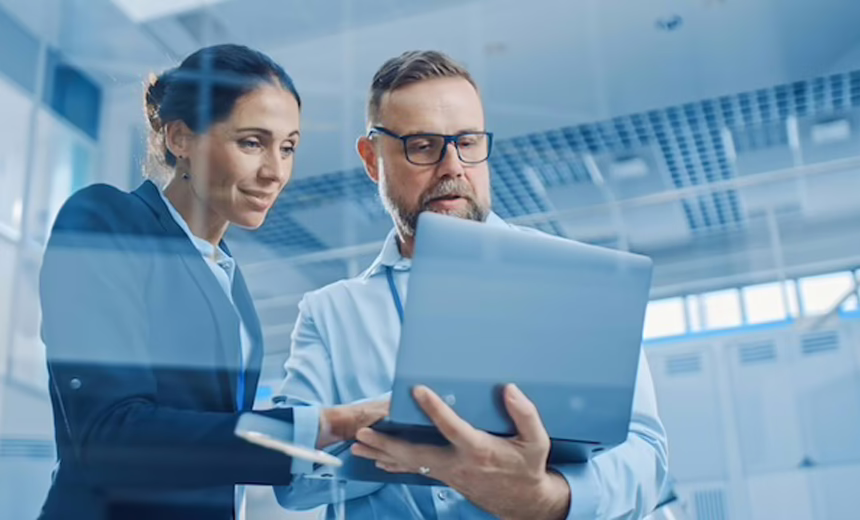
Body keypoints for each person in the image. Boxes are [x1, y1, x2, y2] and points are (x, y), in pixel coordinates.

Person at [275, 50, 669, 519]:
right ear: (372, 159)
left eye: (467, 142)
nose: (452, 166)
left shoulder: (580, 286)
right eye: (423, 146)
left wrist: (547, 498)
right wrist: (400, 432)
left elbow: (646, 457)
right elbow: (288, 479)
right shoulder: (330, 313)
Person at [37, 44, 386, 520]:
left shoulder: (228, 277)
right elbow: (111, 436)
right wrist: (328, 423)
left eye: (287, 148)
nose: (275, 172)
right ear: (181, 137)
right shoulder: (108, 220)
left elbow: (217, 447)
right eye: (252, 143)